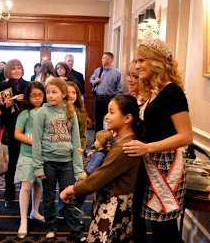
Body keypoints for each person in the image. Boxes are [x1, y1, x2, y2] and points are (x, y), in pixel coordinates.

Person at [122, 34, 193, 243]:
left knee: (164, 230)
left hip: (166, 167)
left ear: (156, 61)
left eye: (141, 60)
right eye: (137, 60)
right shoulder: (153, 90)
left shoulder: (172, 92)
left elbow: (186, 136)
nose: (137, 66)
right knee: (153, 224)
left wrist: (147, 148)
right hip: (149, 162)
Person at [60, 94, 145, 242]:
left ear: (127, 118)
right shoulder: (123, 143)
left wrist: (70, 190)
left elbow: (97, 179)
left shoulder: (123, 149)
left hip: (113, 209)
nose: (106, 116)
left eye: (112, 112)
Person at [32, 78, 86, 242]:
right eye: (48, 92)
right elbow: (37, 141)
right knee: (48, 197)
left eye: (54, 92)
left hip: (67, 163)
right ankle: (50, 228)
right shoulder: (42, 112)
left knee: (69, 197)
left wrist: (78, 168)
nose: (49, 95)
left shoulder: (71, 112)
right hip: (48, 162)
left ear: (63, 94)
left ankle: (76, 232)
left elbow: (76, 142)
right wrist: (38, 168)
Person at [14, 81, 46, 239]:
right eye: (34, 95)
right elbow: (18, 134)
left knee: (38, 185)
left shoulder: (48, 111)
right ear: (28, 96)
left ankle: (35, 211)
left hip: (43, 156)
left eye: (40, 95)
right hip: (27, 155)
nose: (37, 98)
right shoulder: (25, 114)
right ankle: (23, 220)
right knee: (26, 186)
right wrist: (34, 142)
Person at [0, 59, 29, 208]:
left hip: (27, 130)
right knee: (11, 167)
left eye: (19, 68)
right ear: (8, 70)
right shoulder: (2, 86)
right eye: (14, 68)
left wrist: (26, 100)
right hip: (10, 130)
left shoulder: (28, 86)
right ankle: (9, 195)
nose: (17, 70)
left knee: (27, 165)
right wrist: (5, 106)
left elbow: (38, 105)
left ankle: (26, 195)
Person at [89, 52, 123, 134]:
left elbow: (119, 89)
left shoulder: (117, 73)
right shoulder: (98, 70)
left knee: (111, 121)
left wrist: (114, 101)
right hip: (98, 98)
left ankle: (108, 142)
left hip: (110, 100)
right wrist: (94, 81)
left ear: (109, 60)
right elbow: (91, 79)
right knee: (98, 121)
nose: (102, 59)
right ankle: (96, 142)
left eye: (104, 58)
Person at [66, 81, 89, 149]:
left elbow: (83, 136)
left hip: (75, 147)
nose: (71, 95)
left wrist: (79, 152)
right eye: (68, 92)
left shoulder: (80, 113)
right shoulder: (58, 111)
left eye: (74, 93)